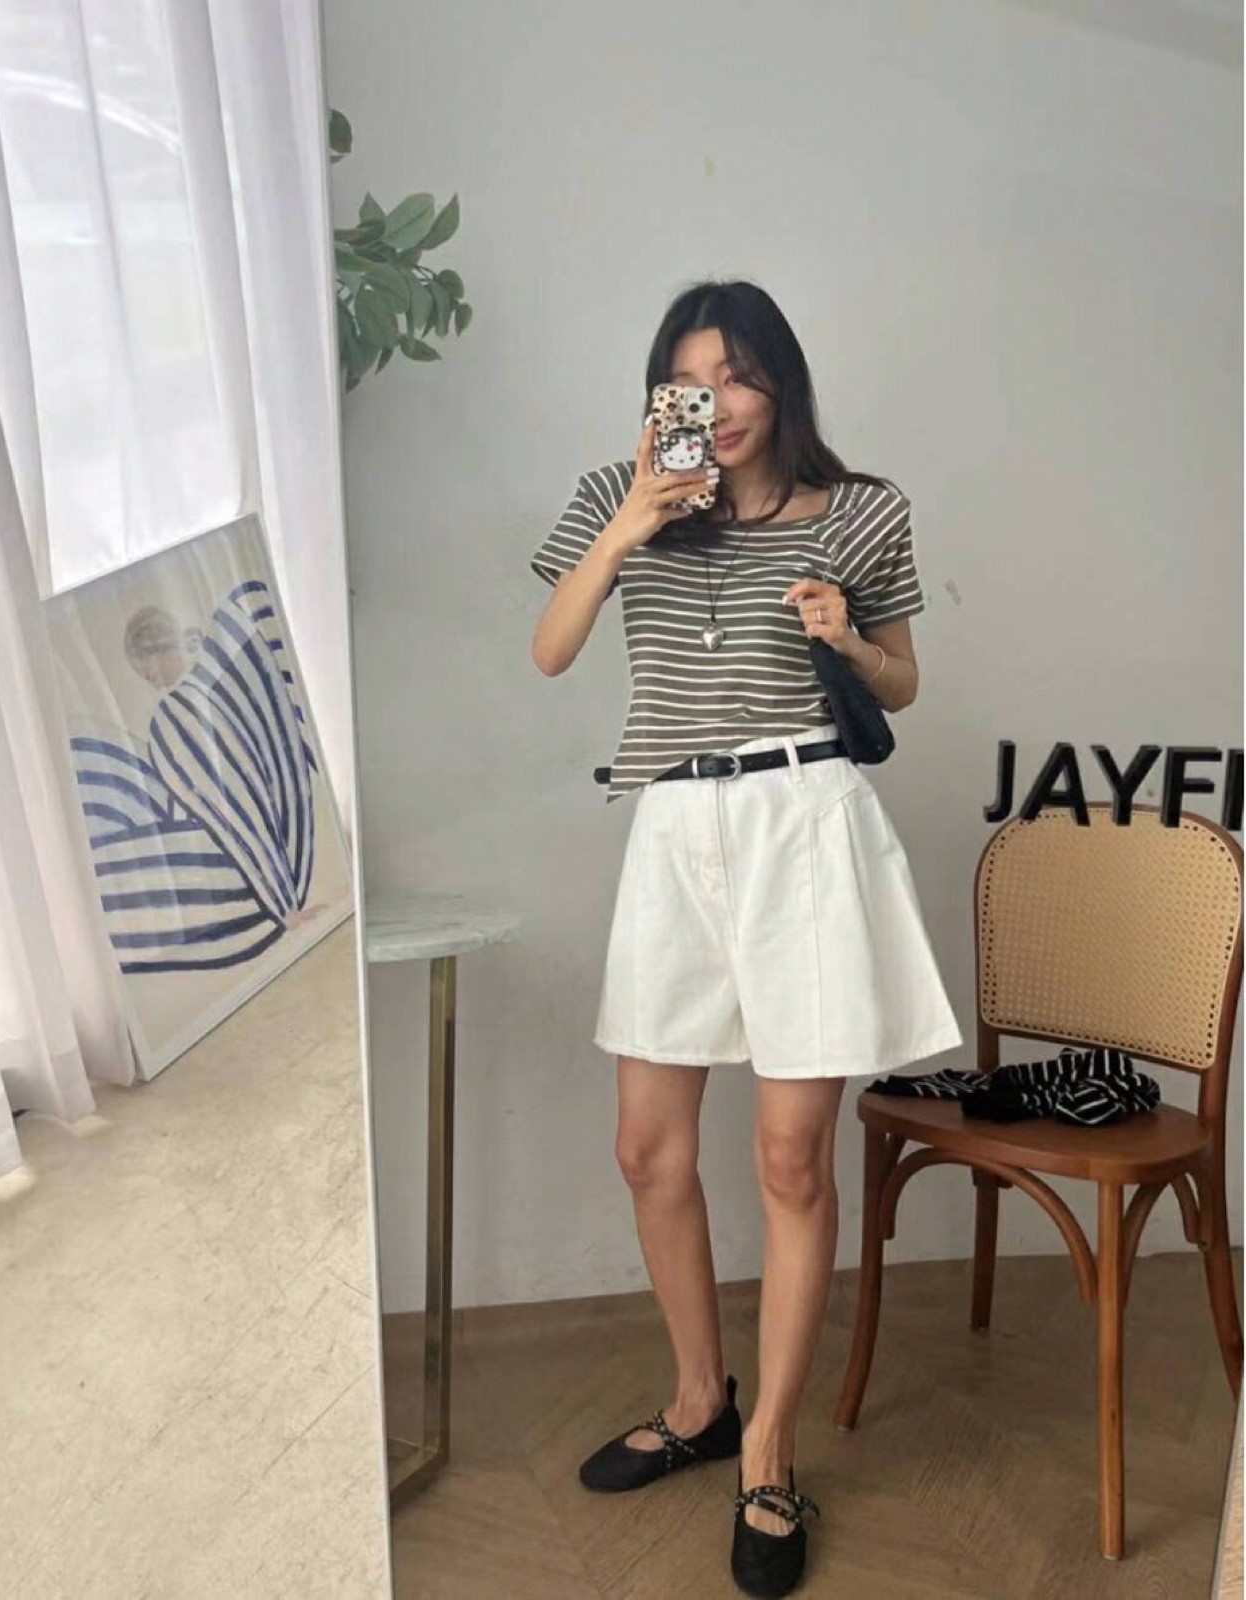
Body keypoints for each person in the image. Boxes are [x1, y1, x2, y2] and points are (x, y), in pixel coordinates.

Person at [528, 279, 963, 1598]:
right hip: (674, 826)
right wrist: (630, 524)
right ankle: (698, 1399)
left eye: (739, 376)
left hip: (805, 822)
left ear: (782, 381)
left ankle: (767, 1449)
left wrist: (849, 638)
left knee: (789, 1161)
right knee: (646, 1148)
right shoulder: (616, 495)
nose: (715, 404)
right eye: (689, 381)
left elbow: (903, 681)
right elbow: (550, 650)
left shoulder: (862, 509)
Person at [72, 580, 321, 973]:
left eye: (147, 661)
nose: (147, 674)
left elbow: (235, 818)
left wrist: (284, 909)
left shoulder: (175, 716)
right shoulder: (210, 696)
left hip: (252, 888)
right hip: (268, 877)